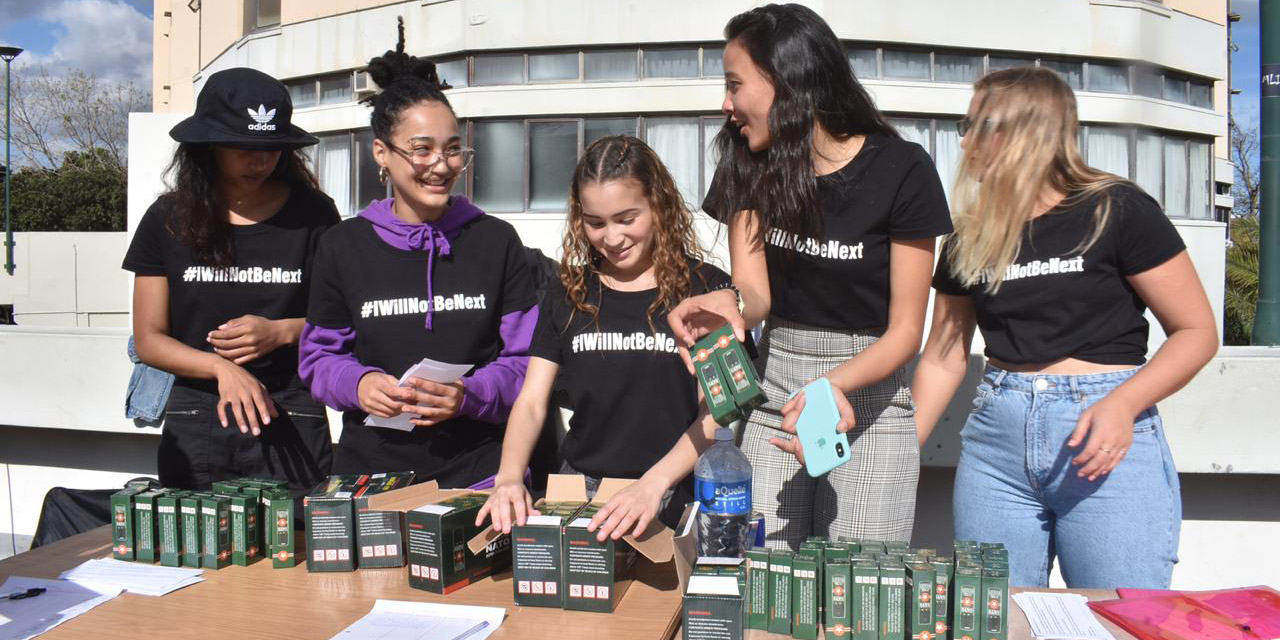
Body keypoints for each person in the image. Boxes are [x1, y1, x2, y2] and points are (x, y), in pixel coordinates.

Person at [913, 67, 1218, 588]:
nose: (963, 140)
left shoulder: (1115, 209)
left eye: (975, 124)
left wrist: (1122, 404)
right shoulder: (971, 236)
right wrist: (902, 451)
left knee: (1115, 619)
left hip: (1104, 436)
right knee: (993, 617)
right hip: (997, 444)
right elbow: (944, 356)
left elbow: (1196, 331)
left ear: (1020, 130)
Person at [666, 3, 953, 549]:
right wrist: (725, 303)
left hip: (868, 401)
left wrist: (837, 384)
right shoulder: (748, 163)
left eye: (735, 85)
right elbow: (756, 295)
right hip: (774, 391)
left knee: (863, 589)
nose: (726, 104)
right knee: (763, 583)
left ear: (785, 81)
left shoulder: (903, 170)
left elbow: (904, 334)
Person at [299, 23, 537, 487]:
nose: (441, 166)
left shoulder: (496, 241)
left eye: (453, 150)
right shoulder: (342, 246)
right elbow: (319, 358)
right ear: (381, 155)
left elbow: (527, 361)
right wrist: (361, 384)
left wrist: (469, 394)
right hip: (372, 479)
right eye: (421, 150)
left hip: (483, 478)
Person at [476, 135, 728, 540]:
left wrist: (652, 485)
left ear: (659, 205)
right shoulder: (568, 291)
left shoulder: (706, 290)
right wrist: (508, 476)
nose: (612, 238)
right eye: (596, 223)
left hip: (672, 490)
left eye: (627, 219)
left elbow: (719, 413)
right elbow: (532, 401)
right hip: (582, 492)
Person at [123, 67, 338, 496]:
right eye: (243, 147)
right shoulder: (167, 219)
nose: (259, 160)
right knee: (197, 553)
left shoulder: (315, 214)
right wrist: (220, 368)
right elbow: (148, 339)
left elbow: (342, 319)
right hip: (197, 416)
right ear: (207, 145)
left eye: (272, 148)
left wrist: (279, 332)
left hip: (291, 412)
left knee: (292, 553)